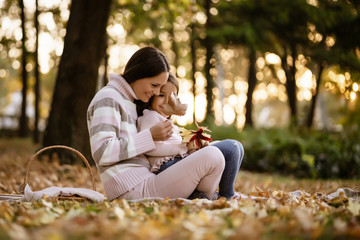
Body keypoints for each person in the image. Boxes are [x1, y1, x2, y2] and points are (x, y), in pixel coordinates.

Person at [87, 47, 225, 201]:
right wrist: (150, 136)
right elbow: (102, 152)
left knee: (219, 148)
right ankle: (206, 198)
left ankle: (203, 196)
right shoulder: (109, 98)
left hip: (148, 179)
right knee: (214, 156)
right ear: (138, 74)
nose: (156, 92)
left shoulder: (132, 102)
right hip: (132, 188)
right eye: (154, 86)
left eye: (160, 87)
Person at [138, 73, 244, 199]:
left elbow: (176, 147)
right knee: (231, 148)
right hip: (167, 167)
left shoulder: (165, 120)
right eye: (161, 95)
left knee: (237, 147)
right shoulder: (149, 116)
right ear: (151, 96)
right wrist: (182, 148)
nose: (167, 101)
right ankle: (227, 195)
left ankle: (203, 194)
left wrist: (193, 147)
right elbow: (149, 147)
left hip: (176, 162)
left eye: (172, 96)